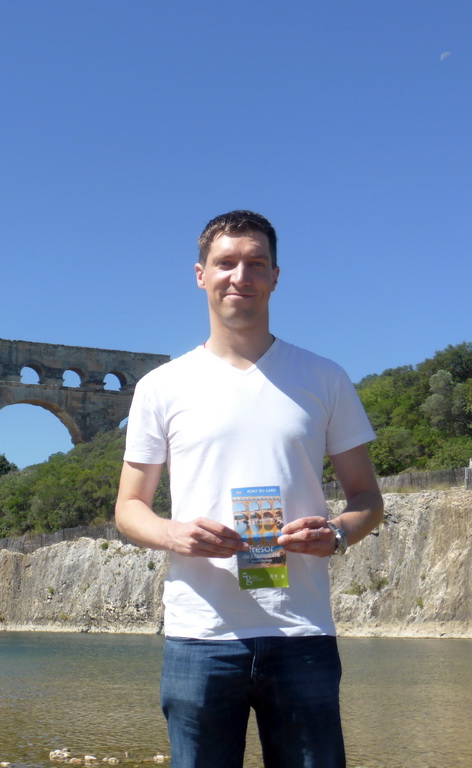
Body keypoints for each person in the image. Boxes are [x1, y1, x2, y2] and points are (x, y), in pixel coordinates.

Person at [115, 210, 384, 768]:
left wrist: (335, 534)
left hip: (301, 632)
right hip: (200, 636)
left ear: (275, 276)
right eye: (226, 263)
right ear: (200, 274)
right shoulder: (160, 387)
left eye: (256, 263)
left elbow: (367, 498)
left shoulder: (325, 377)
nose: (241, 275)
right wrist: (175, 534)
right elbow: (128, 508)